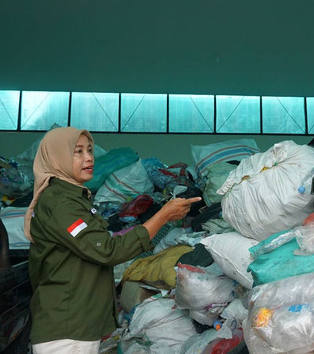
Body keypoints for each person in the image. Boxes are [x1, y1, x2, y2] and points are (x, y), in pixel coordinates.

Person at [23, 127, 200, 353]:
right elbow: (106, 250)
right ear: (57, 157)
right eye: (78, 152)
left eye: (89, 150)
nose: (89, 157)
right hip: (65, 330)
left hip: (77, 325)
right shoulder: (61, 203)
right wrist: (163, 215)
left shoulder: (75, 198)